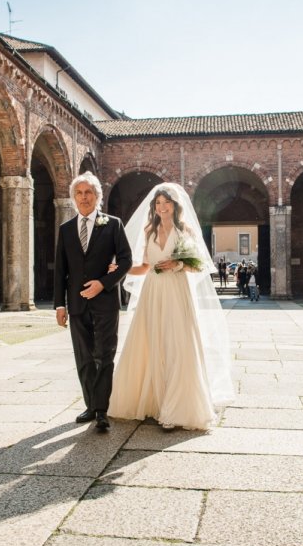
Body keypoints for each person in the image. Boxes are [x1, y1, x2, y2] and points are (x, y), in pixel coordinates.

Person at [108, 183, 234, 431]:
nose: (162, 207)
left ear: (174, 206)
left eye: (166, 203)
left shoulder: (185, 230)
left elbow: (197, 266)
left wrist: (176, 265)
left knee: (177, 343)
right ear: (154, 207)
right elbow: (144, 267)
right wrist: (120, 270)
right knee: (152, 340)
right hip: (153, 292)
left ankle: (176, 407)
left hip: (177, 291)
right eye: (158, 203)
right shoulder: (149, 232)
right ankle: (153, 401)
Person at [54, 172, 132, 432]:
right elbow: (61, 271)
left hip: (106, 302)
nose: (84, 197)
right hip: (76, 304)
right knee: (84, 357)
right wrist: (60, 305)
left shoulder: (113, 224)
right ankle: (90, 405)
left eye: (89, 193)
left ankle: (102, 410)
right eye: (79, 193)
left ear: (98, 197)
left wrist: (103, 283)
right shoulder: (65, 230)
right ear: (73, 197)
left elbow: (125, 261)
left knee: (105, 355)